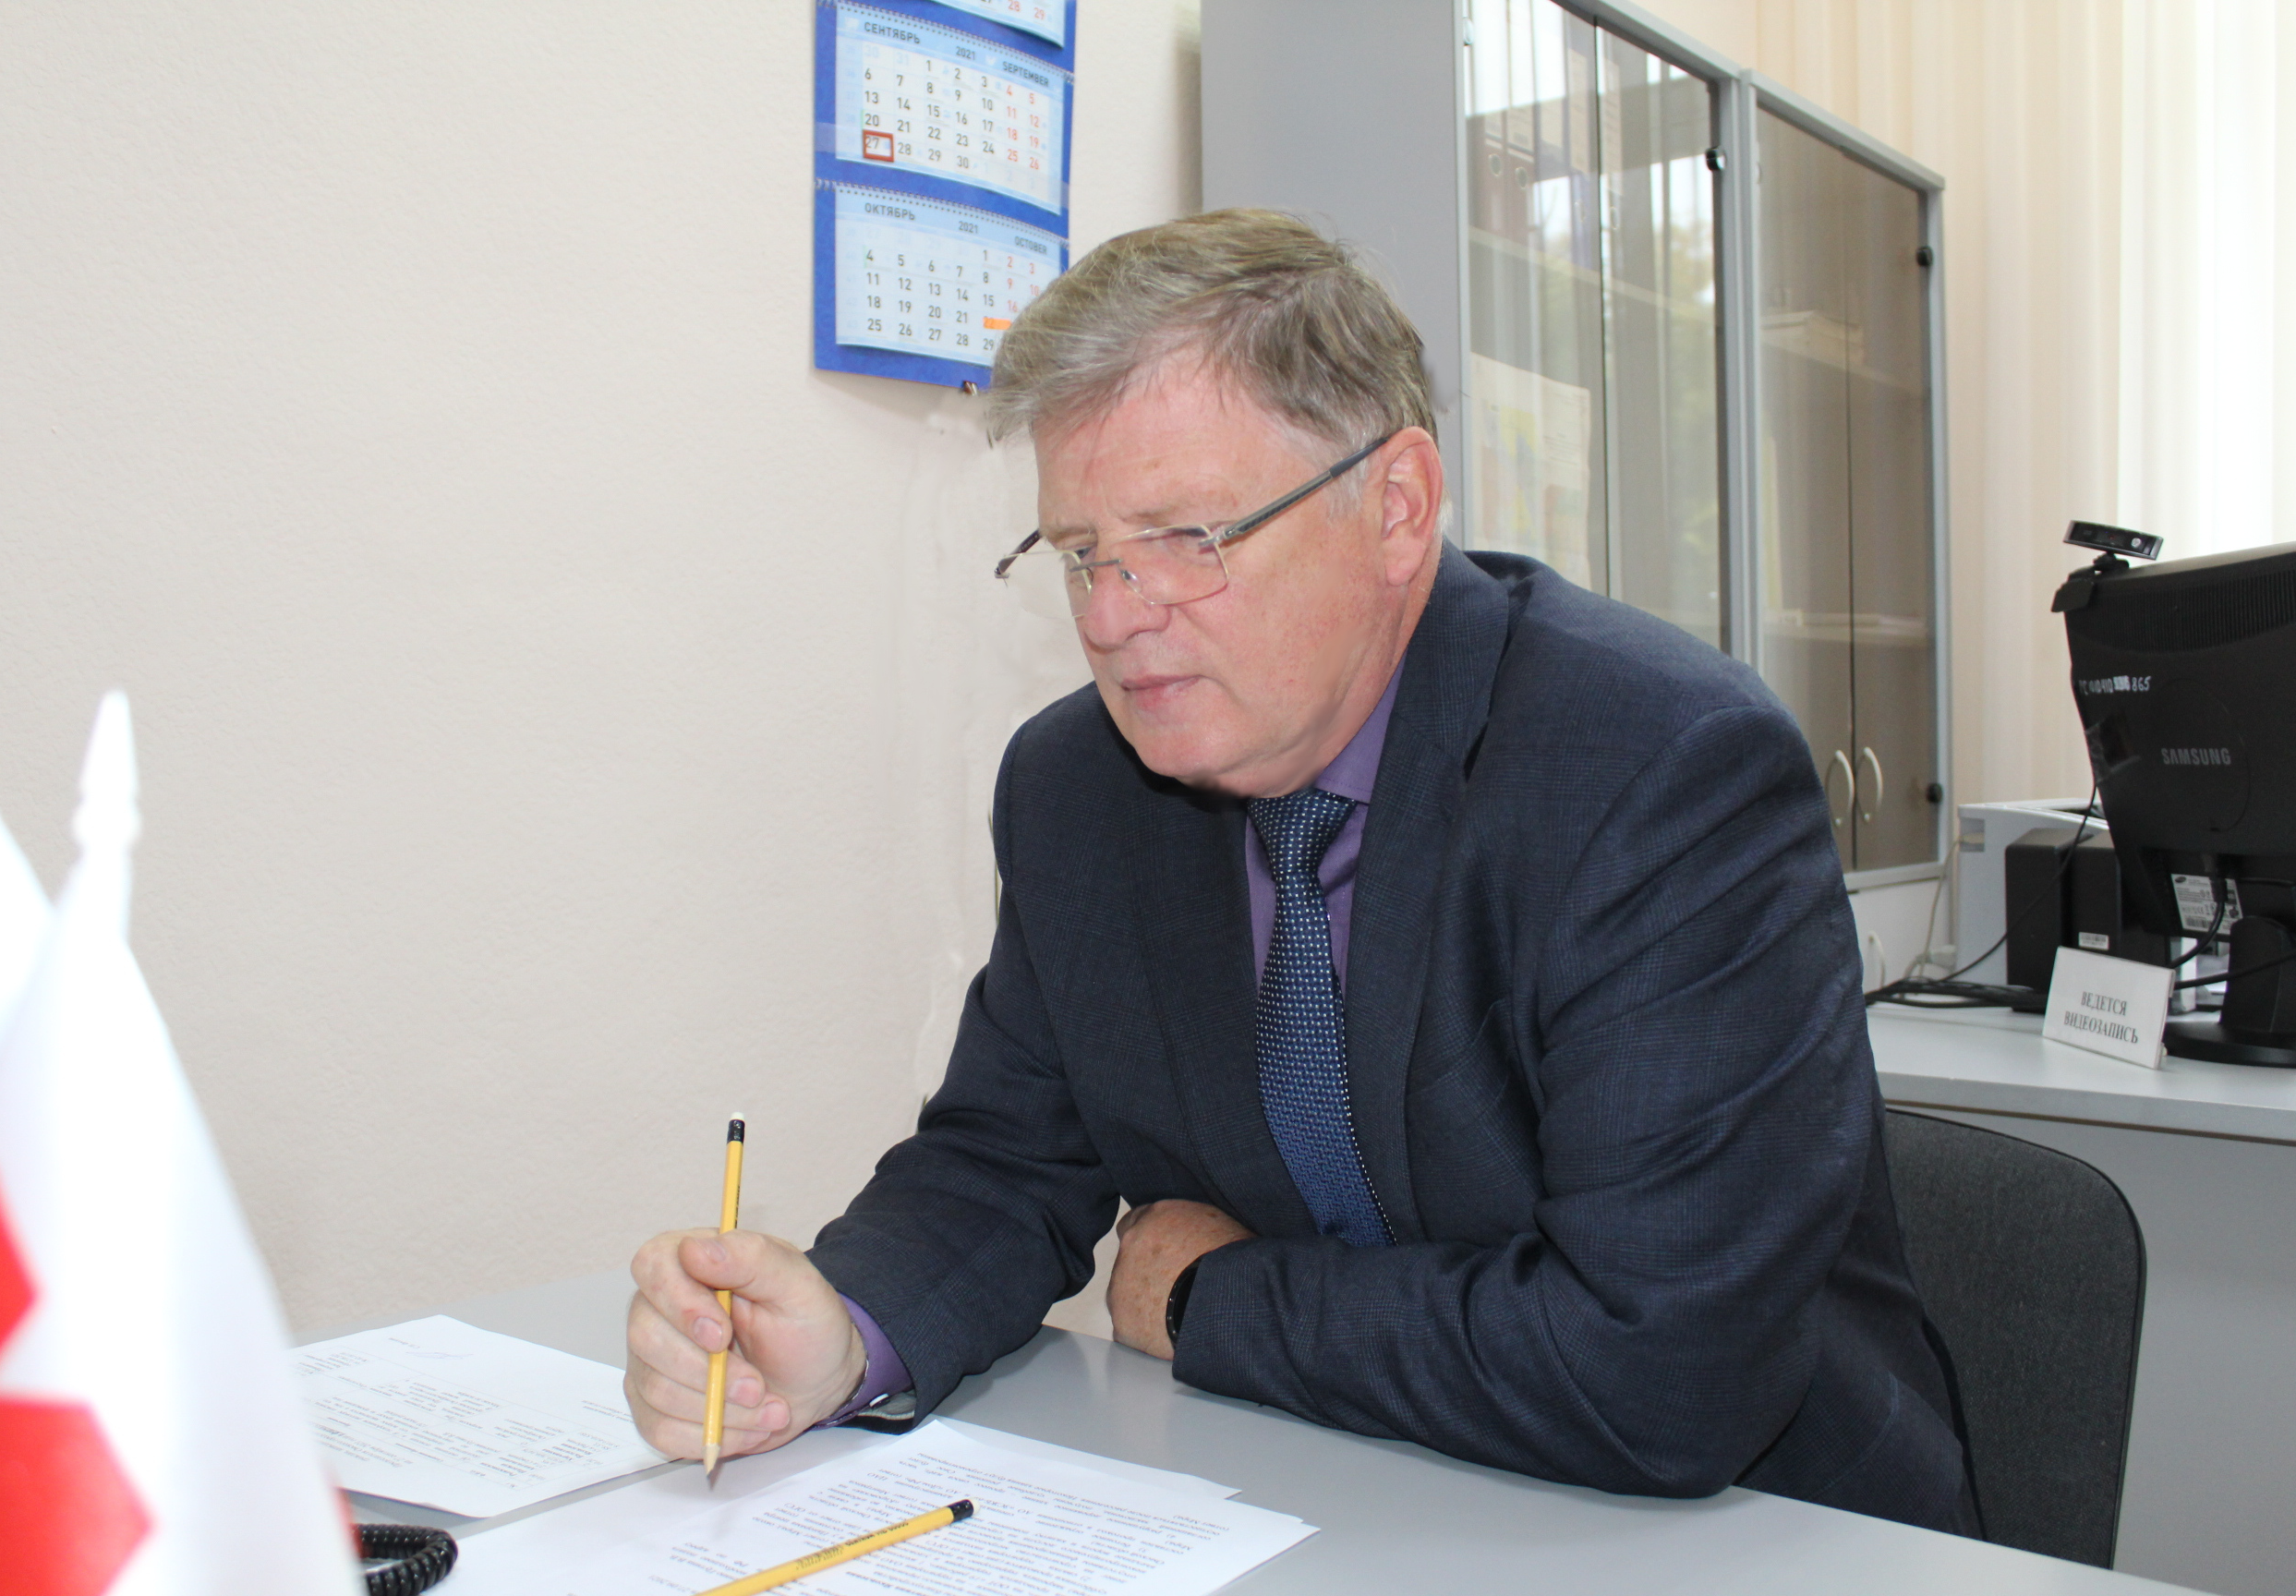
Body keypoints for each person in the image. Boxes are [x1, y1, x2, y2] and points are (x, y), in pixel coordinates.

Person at [625, 210, 1972, 1533]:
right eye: (1082, 555)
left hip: (1756, 1533)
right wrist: (843, 1333)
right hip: (1332, 1501)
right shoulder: (1078, 786)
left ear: (1397, 509)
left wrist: (1207, 1298)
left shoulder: (1659, 770)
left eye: (1186, 539)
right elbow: (1002, 1158)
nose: (1114, 616)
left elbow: (1660, 1370)